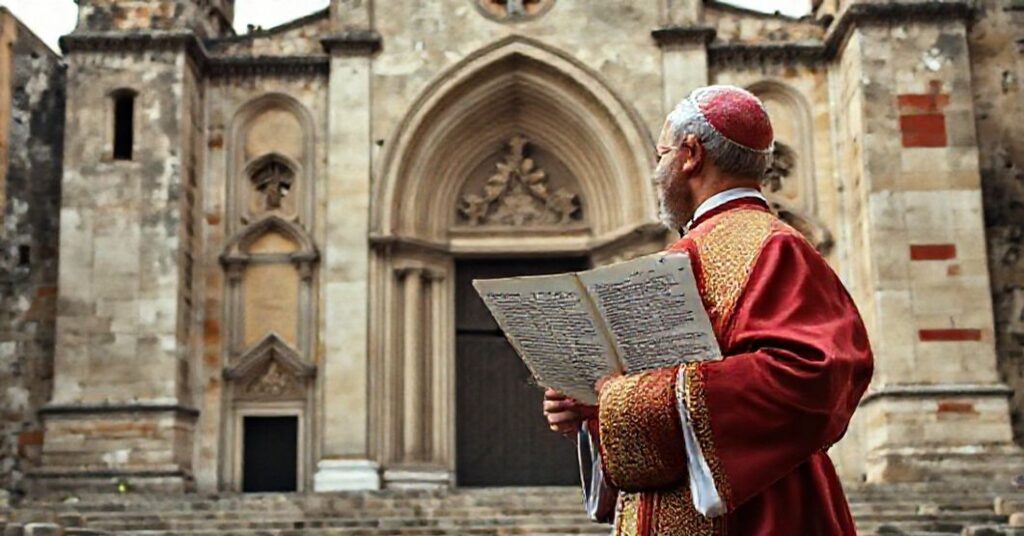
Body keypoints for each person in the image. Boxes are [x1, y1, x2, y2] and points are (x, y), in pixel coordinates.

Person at [543, 85, 874, 535]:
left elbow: (816, 376)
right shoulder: (686, 251)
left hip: (760, 515)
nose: (656, 171)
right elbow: (655, 403)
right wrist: (593, 414)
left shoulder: (775, 246)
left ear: (691, 154)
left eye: (662, 154)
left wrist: (620, 399)